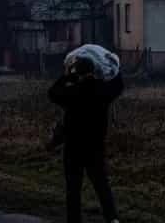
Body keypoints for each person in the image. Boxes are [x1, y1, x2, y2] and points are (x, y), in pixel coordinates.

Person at [49, 57, 125, 223]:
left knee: (73, 188)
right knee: (102, 185)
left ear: (78, 72)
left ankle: (74, 219)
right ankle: (112, 218)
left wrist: (67, 77)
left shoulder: (73, 92)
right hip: (95, 147)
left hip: (73, 147)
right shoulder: (102, 91)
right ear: (93, 70)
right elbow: (119, 86)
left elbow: (53, 92)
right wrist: (115, 67)